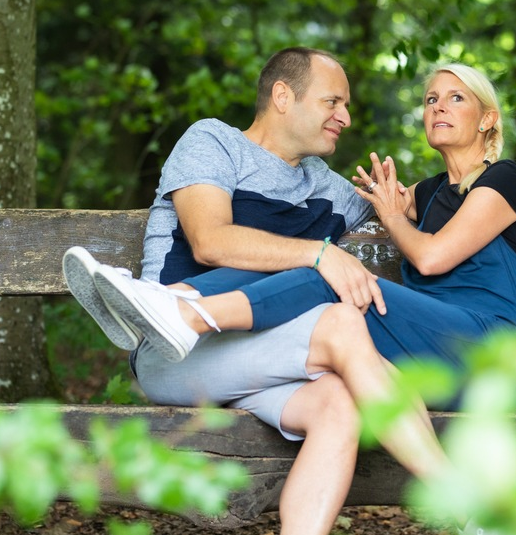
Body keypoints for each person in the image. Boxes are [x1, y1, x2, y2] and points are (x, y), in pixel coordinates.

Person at [66, 47, 449, 535]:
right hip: (176, 350)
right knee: (341, 323)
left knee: (339, 402)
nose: (346, 118)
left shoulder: (328, 189)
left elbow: (409, 204)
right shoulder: (213, 142)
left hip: (265, 361)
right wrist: (318, 253)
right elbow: (209, 242)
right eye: (333, 102)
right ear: (283, 96)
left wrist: (496, 188)